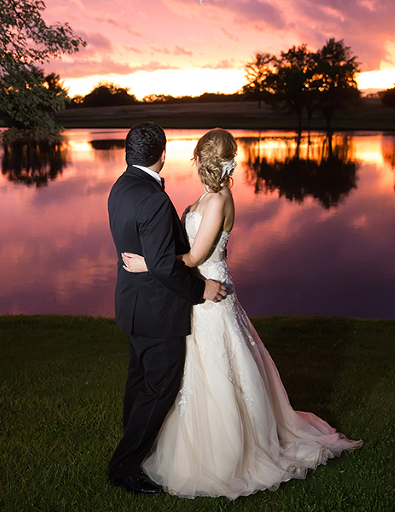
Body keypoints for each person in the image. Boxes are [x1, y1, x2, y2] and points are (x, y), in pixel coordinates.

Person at [121, 128, 362, 499]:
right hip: (196, 294)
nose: (195, 162)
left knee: (220, 369)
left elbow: (196, 257)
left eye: (199, 157)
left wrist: (147, 265)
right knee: (193, 370)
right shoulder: (209, 195)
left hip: (211, 294)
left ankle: (227, 454)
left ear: (205, 160)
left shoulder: (218, 200)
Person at [106, 122, 228, 495]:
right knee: (161, 386)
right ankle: (125, 465)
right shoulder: (154, 198)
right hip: (158, 311)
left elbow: (147, 254)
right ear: (162, 154)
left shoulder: (120, 187)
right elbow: (162, 265)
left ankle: (133, 437)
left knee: (140, 379)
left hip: (133, 305)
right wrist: (202, 289)